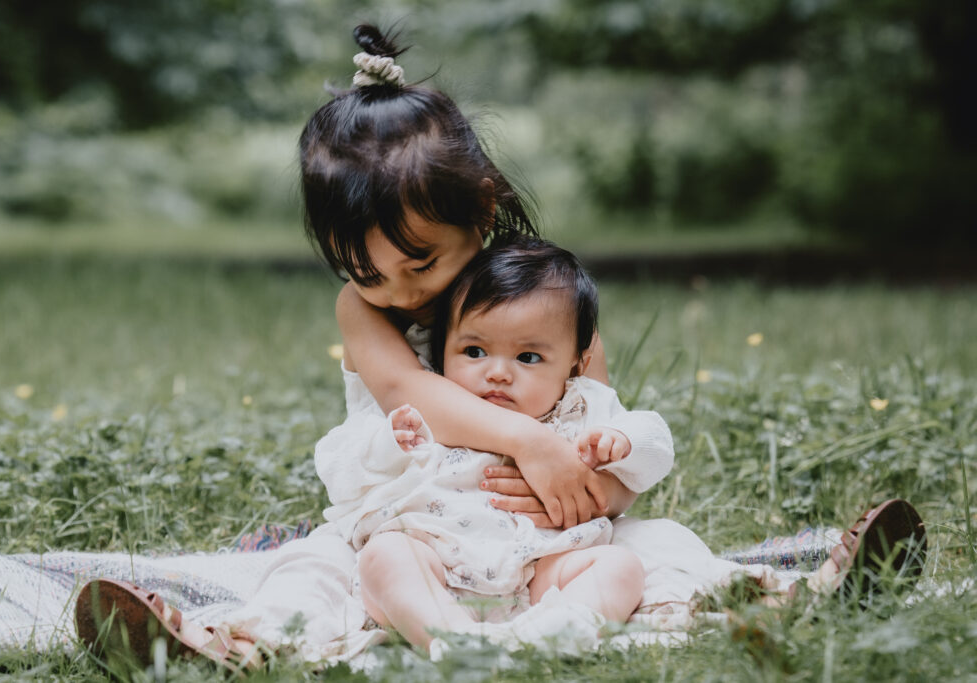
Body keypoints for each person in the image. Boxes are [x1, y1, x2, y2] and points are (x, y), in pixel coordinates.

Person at [66, 22, 927, 671]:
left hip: (545, 537)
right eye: (363, 268)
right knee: (324, 566)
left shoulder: (544, 299)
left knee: (652, 553)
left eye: (418, 259)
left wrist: (591, 478)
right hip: (414, 519)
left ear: (478, 215)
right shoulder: (364, 312)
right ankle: (228, 643)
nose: (401, 289)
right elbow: (410, 393)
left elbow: (597, 405)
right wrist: (528, 441)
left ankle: (789, 599)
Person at [315, 238, 673, 652]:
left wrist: (624, 442)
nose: (498, 372)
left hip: (542, 569)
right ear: (440, 349)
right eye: (474, 351)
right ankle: (455, 642)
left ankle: (546, 640)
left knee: (620, 568)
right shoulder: (431, 411)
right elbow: (338, 466)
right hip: (437, 563)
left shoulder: (580, 406)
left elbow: (656, 444)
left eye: (528, 358)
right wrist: (387, 445)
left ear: (576, 363)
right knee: (386, 558)